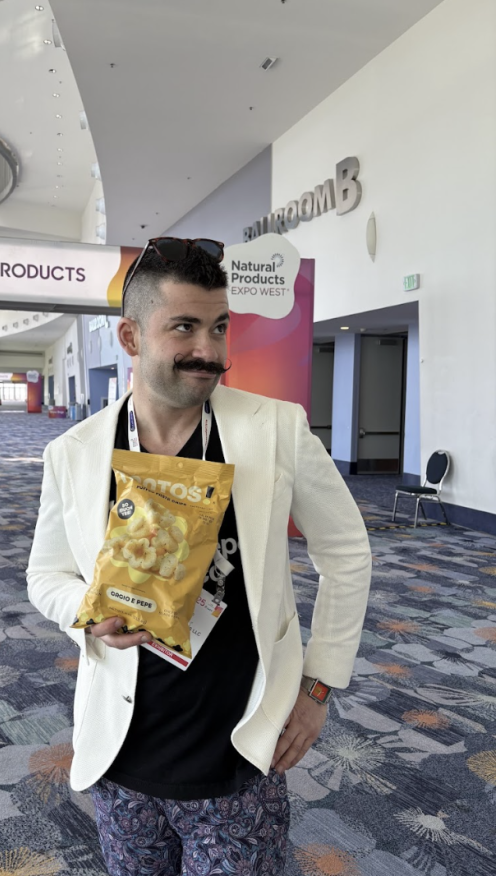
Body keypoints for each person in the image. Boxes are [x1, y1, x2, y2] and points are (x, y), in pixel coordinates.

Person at [27, 238, 372, 876]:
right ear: (130, 337)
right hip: (121, 757)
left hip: (240, 757)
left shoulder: (275, 429)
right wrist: (89, 610)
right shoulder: (75, 453)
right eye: (184, 327)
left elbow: (347, 553)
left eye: (219, 327)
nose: (210, 351)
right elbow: (45, 575)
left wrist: (319, 686)